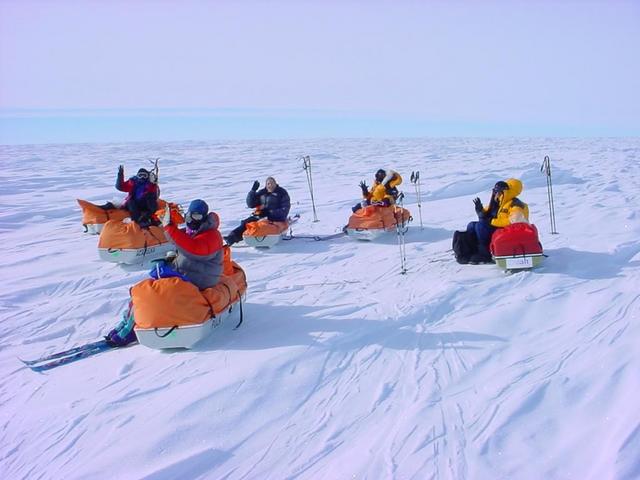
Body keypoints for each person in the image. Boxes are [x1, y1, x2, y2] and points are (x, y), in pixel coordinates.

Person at [104, 199, 224, 348]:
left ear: (204, 218)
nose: (191, 220)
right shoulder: (193, 232)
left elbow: (195, 250)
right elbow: (178, 241)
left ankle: (130, 329)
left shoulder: (212, 235)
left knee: (152, 290)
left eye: (197, 217)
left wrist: (169, 228)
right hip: (188, 273)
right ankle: (127, 322)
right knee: (148, 286)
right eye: (189, 216)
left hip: (202, 279)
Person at [466, 178, 529, 264]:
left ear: (508, 191)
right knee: (472, 225)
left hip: (509, 232)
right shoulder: (500, 202)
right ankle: (472, 249)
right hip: (499, 229)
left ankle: (486, 254)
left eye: (499, 191)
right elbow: (487, 212)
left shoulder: (516, 205)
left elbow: (513, 221)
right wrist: (480, 210)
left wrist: (492, 221)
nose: (497, 193)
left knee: (480, 226)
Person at [225, 176, 291, 246]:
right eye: (268, 184)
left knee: (263, 225)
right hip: (261, 216)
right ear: (266, 185)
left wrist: (271, 213)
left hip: (276, 218)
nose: (270, 185)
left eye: (272, 183)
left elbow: (285, 209)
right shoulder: (262, 193)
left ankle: (265, 238)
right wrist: (252, 191)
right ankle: (231, 238)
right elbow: (250, 204)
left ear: (275, 184)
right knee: (246, 223)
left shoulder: (282, 193)